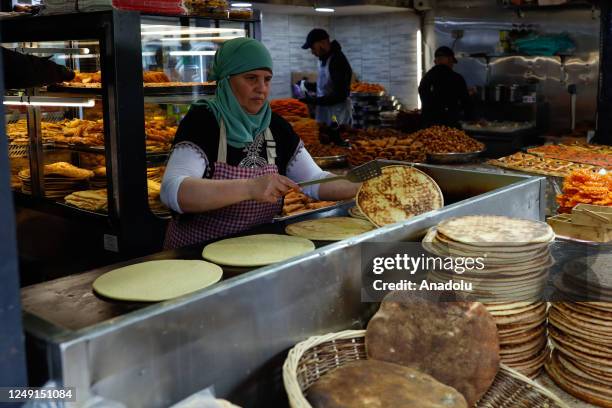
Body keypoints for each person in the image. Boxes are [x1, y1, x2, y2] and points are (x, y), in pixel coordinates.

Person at [160, 38, 359, 249]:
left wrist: (361, 184)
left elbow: (315, 180)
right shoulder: (204, 120)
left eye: (267, 79)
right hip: (196, 253)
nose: (261, 88)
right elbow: (173, 190)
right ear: (226, 80)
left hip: (256, 248)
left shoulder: (276, 126)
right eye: (251, 78)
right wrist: (250, 187)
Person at [301, 28, 353, 126]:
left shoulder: (337, 60)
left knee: (335, 138)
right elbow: (328, 85)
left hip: (337, 114)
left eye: (313, 47)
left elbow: (340, 94)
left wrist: (314, 101)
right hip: (325, 111)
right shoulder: (323, 59)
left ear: (323, 43)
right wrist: (309, 86)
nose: (312, 52)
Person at [418, 46, 473, 129]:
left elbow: (424, 95)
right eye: (452, 62)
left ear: (435, 61)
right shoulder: (456, 78)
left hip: (428, 125)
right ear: (450, 60)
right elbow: (466, 102)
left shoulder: (426, 77)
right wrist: (472, 119)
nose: (452, 65)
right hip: (450, 125)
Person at [2, 47, 74, 89]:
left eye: (69, 69)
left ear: (66, 73)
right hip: (11, 78)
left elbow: (35, 65)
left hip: (15, 64)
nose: (67, 67)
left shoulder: (54, 70)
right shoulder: (52, 80)